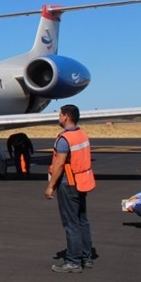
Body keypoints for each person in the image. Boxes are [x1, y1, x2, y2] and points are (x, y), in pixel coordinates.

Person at [45, 104, 95, 273]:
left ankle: (73, 261)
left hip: (69, 183)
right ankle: (86, 257)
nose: (58, 117)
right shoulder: (82, 134)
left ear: (66, 116)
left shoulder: (64, 139)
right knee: (82, 221)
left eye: (59, 114)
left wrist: (51, 186)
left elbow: (59, 164)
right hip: (83, 182)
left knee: (71, 223)